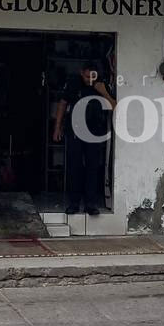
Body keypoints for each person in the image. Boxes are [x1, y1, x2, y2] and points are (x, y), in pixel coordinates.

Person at [52, 61, 116, 215]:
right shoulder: (73, 83)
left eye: (92, 76)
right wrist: (57, 127)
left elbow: (114, 106)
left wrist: (103, 92)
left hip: (95, 132)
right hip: (75, 130)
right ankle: (74, 203)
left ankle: (90, 204)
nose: (90, 79)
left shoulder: (101, 85)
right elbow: (62, 104)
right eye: (87, 76)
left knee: (93, 167)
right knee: (74, 166)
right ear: (81, 73)